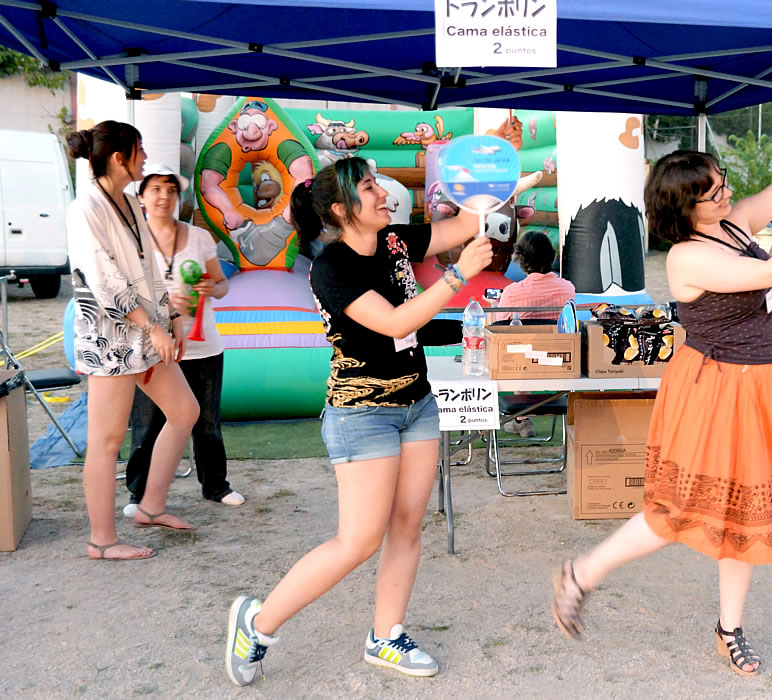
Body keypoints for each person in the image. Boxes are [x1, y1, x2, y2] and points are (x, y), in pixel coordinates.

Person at [550, 150, 772, 676]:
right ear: (686, 207)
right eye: (714, 191)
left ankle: (729, 629)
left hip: (762, 382)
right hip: (715, 389)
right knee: (677, 510)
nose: (727, 193)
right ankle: (581, 574)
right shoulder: (687, 257)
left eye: (723, 182)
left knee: (746, 513)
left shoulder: (733, 224)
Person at [225, 157, 493, 686]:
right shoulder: (331, 268)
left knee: (407, 526)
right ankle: (256, 625)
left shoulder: (395, 241)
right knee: (358, 540)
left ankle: (386, 636)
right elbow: (395, 321)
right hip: (362, 413)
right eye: (369, 188)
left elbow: (466, 224)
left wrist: (492, 174)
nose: (383, 194)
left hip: (417, 403)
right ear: (340, 209)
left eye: (377, 184)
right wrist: (459, 275)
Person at [66, 122, 199, 561]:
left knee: (185, 410)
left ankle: (151, 506)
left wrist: (172, 318)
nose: (145, 158)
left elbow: (149, 269)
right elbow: (103, 281)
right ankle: (101, 540)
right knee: (106, 441)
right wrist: (153, 327)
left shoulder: (127, 201)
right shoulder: (85, 208)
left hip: (145, 332)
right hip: (109, 338)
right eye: (139, 150)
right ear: (119, 157)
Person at [123, 164, 244, 511]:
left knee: (206, 423)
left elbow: (221, 284)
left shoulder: (199, 237)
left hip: (202, 344)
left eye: (171, 190)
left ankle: (216, 486)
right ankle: (139, 493)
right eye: (156, 189)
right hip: (151, 347)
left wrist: (211, 288)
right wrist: (164, 308)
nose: (164, 197)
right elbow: (125, 296)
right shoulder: (131, 240)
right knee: (147, 424)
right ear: (141, 196)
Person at [490, 230, 576, 436]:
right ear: (551, 256)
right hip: (561, 364)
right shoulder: (568, 288)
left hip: (523, 367)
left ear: (521, 260)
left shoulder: (512, 292)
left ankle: (522, 419)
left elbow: (497, 328)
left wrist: (494, 306)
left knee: (518, 348)